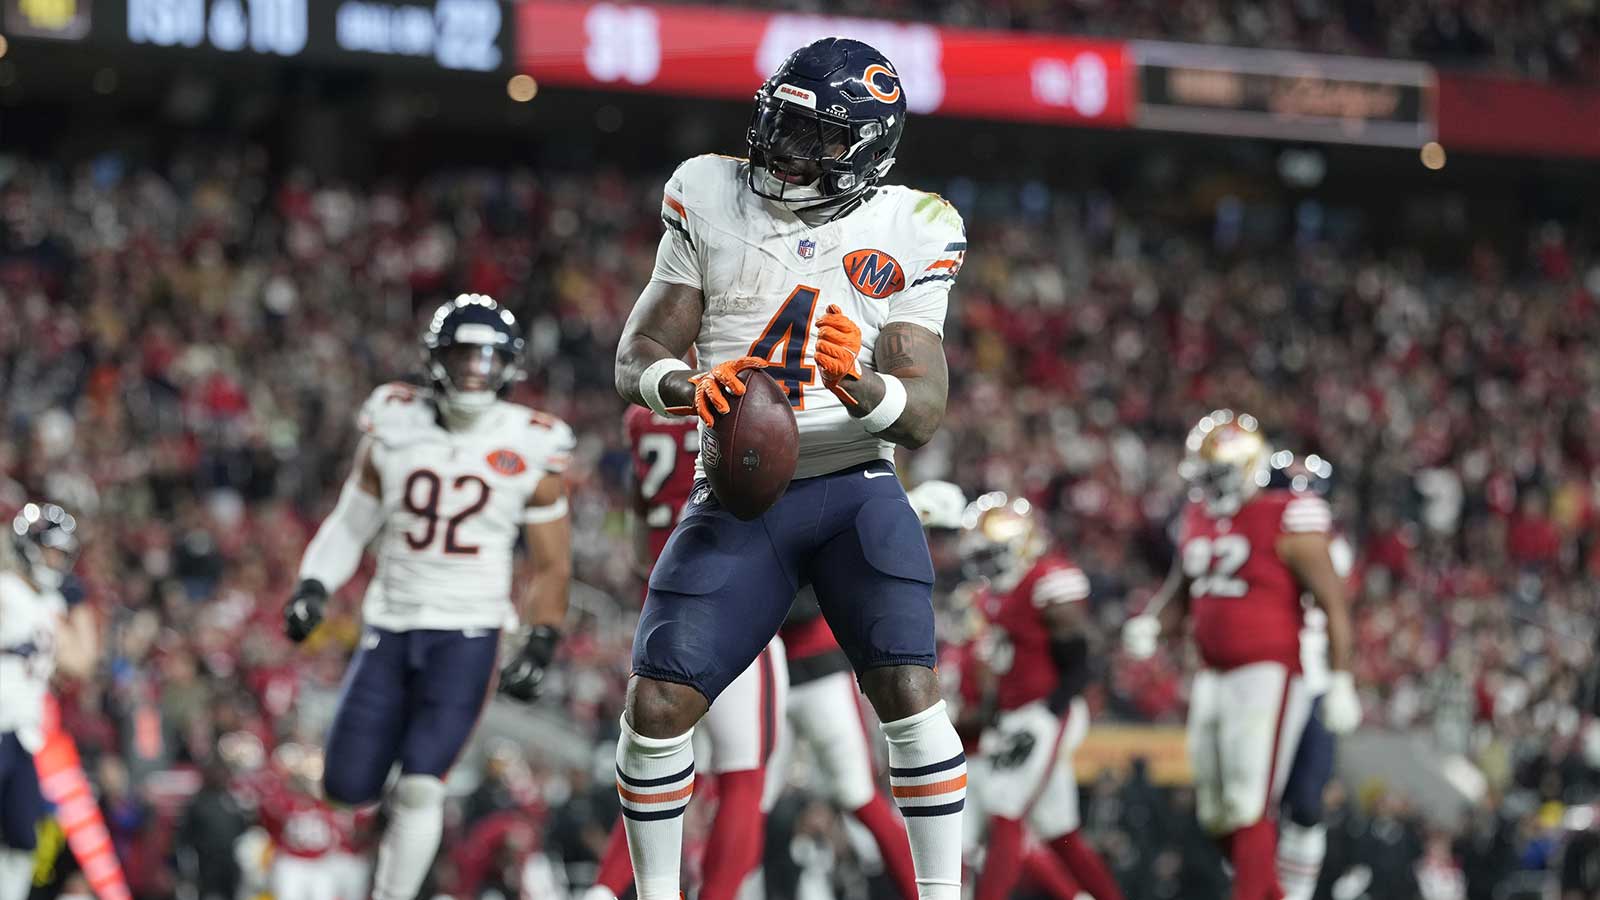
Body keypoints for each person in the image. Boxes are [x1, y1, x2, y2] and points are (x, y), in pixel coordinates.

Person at [612, 37, 969, 899]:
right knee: (655, 709)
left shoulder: (916, 225)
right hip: (735, 493)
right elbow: (638, 352)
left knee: (908, 687)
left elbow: (920, 416)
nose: (782, 151)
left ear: (867, 151)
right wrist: (687, 383)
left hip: (854, 487)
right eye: (780, 125)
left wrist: (860, 382)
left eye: (814, 140)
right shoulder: (706, 189)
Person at [281, 294, 574, 900]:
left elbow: (551, 563)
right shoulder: (393, 419)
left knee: (422, 782)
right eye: (465, 355)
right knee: (344, 783)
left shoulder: (532, 443)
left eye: (488, 358)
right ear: (438, 359)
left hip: (468, 631)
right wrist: (314, 584)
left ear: (509, 367)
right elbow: (350, 521)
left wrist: (540, 638)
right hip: (390, 623)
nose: (475, 370)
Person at [1123, 411, 1361, 900]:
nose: (1211, 485)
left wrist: (1341, 679)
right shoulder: (1198, 518)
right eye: (1205, 475)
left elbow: (1334, 604)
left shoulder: (1290, 516)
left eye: (1219, 474)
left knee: (1256, 804)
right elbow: (1185, 587)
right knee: (1217, 811)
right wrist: (1154, 621)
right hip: (1213, 672)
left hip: (1270, 671)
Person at [588, 406, 788, 900]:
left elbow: (639, 539)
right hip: (731, 604)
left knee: (656, 771)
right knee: (744, 777)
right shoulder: (747, 399)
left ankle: (603, 892)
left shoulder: (641, 416)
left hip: (661, 606)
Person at [958, 492, 1125, 900]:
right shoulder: (991, 596)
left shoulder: (1047, 580)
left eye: (994, 553)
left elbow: (1081, 657)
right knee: (1059, 833)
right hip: (1017, 714)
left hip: (1049, 710)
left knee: (1005, 813)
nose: (987, 565)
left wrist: (1050, 714)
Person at [0, 503, 93, 900]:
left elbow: (81, 661)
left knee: (23, 839)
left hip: (23, 736)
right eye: (50, 550)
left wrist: (81, 604)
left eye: (62, 553)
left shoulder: (50, 604)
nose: (56, 561)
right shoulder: (6, 589)